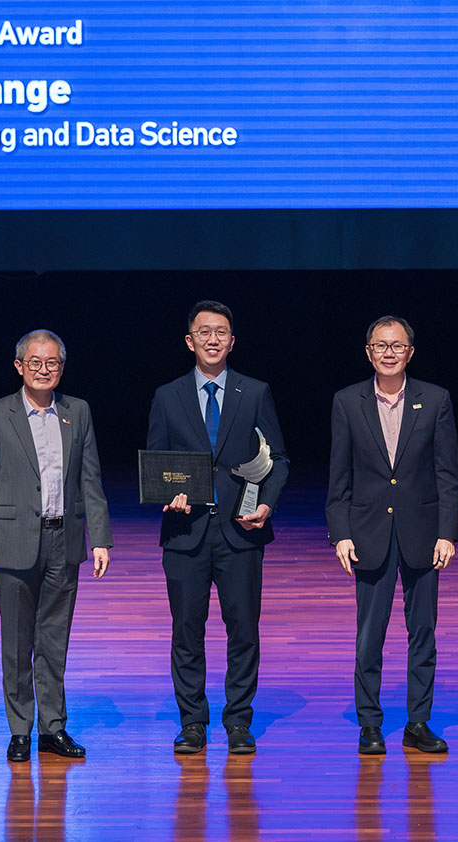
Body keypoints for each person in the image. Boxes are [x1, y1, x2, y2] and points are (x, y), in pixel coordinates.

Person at [147, 300, 289, 755]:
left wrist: (266, 505)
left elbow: (278, 460)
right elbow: (157, 466)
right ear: (190, 341)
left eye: (221, 332)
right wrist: (166, 494)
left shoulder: (256, 391)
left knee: (243, 629)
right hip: (185, 533)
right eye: (204, 332)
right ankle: (192, 723)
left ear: (232, 341)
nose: (212, 339)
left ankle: (238, 722)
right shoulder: (167, 396)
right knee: (186, 631)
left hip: (241, 531)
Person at [0, 329, 112, 763]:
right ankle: (19, 730)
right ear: (19, 367)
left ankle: (53, 729)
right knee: (16, 644)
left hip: (62, 542)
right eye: (35, 362)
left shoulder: (78, 412)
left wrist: (100, 538)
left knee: (54, 641)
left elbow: (91, 481)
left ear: (61, 367)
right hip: (12, 543)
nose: (44, 369)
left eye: (52, 363)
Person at [326, 315, 458, 755]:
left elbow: (447, 474)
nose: (388, 352)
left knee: (423, 632)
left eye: (397, 345)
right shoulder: (348, 402)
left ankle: (418, 722)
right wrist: (340, 534)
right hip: (369, 534)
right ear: (369, 352)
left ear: (410, 353)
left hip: (423, 533)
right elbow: (339, 478)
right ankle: (369, 724)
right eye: (380, 346)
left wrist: (448, 533)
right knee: (371, 634)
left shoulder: (435, 400)